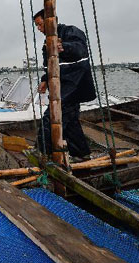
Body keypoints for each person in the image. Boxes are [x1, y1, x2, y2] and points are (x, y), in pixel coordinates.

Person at [33, 9, 96, 161]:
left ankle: (43, 152)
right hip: (61, 86)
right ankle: (81, 153)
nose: (40, 29)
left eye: (41, 25)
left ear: (51, 21)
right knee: (71, 121)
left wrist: (64, 47)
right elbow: (47, 65)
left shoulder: (71, 31)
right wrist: (44, 80)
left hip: (75, 84)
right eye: (37, 27)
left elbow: (80, 49)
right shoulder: (46, 42)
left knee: (51, 117)